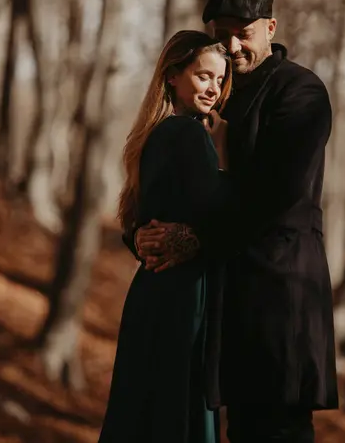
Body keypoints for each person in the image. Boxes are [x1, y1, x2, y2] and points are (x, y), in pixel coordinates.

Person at [135, 0, 339, 443]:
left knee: (278, 429)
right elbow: (168, 185)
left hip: (282, 290)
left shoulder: (301, 93)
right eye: (222, 32)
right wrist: (144, 236)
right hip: (223, 294)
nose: (231, 45)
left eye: (243, 33)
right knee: (240, 429)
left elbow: (278, 195)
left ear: (270, 28)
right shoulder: (211, 92)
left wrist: (194, 237)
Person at [98, 30, 234, 443]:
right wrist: (226, 156)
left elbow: (140, 221)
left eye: (219, 79)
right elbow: (220, 214)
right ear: (173, 76)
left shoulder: (153, 135)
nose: (213, 88)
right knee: (178, 410)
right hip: (184, 295)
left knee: (142, 410)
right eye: (203, 76)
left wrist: (143, 238)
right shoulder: (192, 135)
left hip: (151, 291)